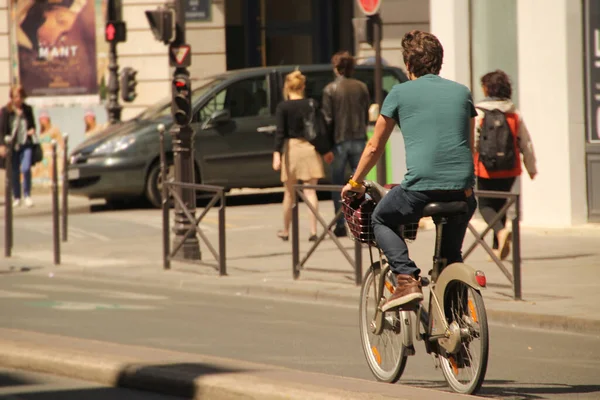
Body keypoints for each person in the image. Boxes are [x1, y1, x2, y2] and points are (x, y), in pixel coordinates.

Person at [341, 30, 477, 311]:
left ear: (408, 65)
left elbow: (375, 146)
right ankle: (456, 329)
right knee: (451, 255)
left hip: (420, 190)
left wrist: (355, 181)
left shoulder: (400, 93)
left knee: (381, 219)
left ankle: (406, 279)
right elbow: (469, 144)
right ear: (439, 62)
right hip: (462, 191)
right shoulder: (462, 92)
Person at [475, 70, 537, 260]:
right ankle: (497, 247)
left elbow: (474, 141)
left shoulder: (479, 112)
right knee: (501, 204)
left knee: (485, 205)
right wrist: (531, 167)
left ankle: (501, 233)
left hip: (486, 168)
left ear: (487, 88)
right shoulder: (514, 113)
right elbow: (525, 142)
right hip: (510, 168)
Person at [322, 51, 371, 237]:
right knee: (360, 182)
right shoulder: (362, 87)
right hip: (359, 138)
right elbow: (366, 113)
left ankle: (340, 222)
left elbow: (328, 119)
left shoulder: (330, 89)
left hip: (339, 141)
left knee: (338, 184)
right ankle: (362, 219)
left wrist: (326, 146)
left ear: (337, 68)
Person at [273, 71, 325, 242]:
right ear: (303, 87)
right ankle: (313, 231)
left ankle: (286, 230)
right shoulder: (311, 103)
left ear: (287, 87)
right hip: (309, 148)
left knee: (289, 193)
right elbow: (319, 129)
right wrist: (326, 150)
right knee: (310, 191)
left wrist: (276, 154)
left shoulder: (283, 107)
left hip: (292, 149)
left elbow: (280, 133)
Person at [0, 85, 37, 208]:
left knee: (26, 168)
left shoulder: (27, 110)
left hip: (25, 143)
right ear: (11, 98)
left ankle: (27, 195)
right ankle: (17, 196)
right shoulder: (6, 111)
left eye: (20, 97)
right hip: (12, 145)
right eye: (15, 97)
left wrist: (32, 131)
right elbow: (2, 130)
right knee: (14, 171)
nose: (18, 99)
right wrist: (2, 145)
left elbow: (32, 125)